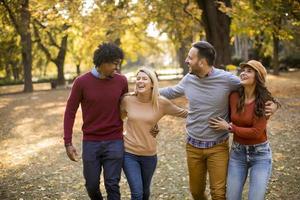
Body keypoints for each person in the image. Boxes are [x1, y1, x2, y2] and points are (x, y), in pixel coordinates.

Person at [159, 41, 278, 200]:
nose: (187, 60)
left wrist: (275, 104)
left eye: (190, 57)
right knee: (196, 192)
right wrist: (145, 90)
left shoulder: (227, 80)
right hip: (193, 145)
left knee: (219, 193)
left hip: (219, 146)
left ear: (201, 62)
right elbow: (170, 92)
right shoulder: (188, 80)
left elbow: (258, 88)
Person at [63, 42, 128, 200]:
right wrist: (68, 142)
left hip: (115, 140)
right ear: (103, 62)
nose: (116, 68)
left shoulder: (121, 81)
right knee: (91, 185)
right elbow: (70, 112)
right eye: (115, 64)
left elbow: (129, 107)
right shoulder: (81, 82)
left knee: (112, 184)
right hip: (91, 142)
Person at [209, 60, 280, 200]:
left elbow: (256, 132)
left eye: (249, 71)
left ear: (258, 77)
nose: (243, 73)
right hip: (237, 154)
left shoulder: (264, 101)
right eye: (243, 70)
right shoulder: (234, 96)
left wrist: (230, 127)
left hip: (260, 155)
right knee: (232, 197)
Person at [120, 67, 188, 200]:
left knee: (145, 193)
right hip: (129, 153)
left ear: (152, 83)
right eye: (138, 78)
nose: (140, 81)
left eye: (144, 78)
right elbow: (118, 119)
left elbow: (184, 113)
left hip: (149, 155)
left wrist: (209, 112)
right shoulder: (127, 100)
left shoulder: (161, 102)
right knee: (137, 193)